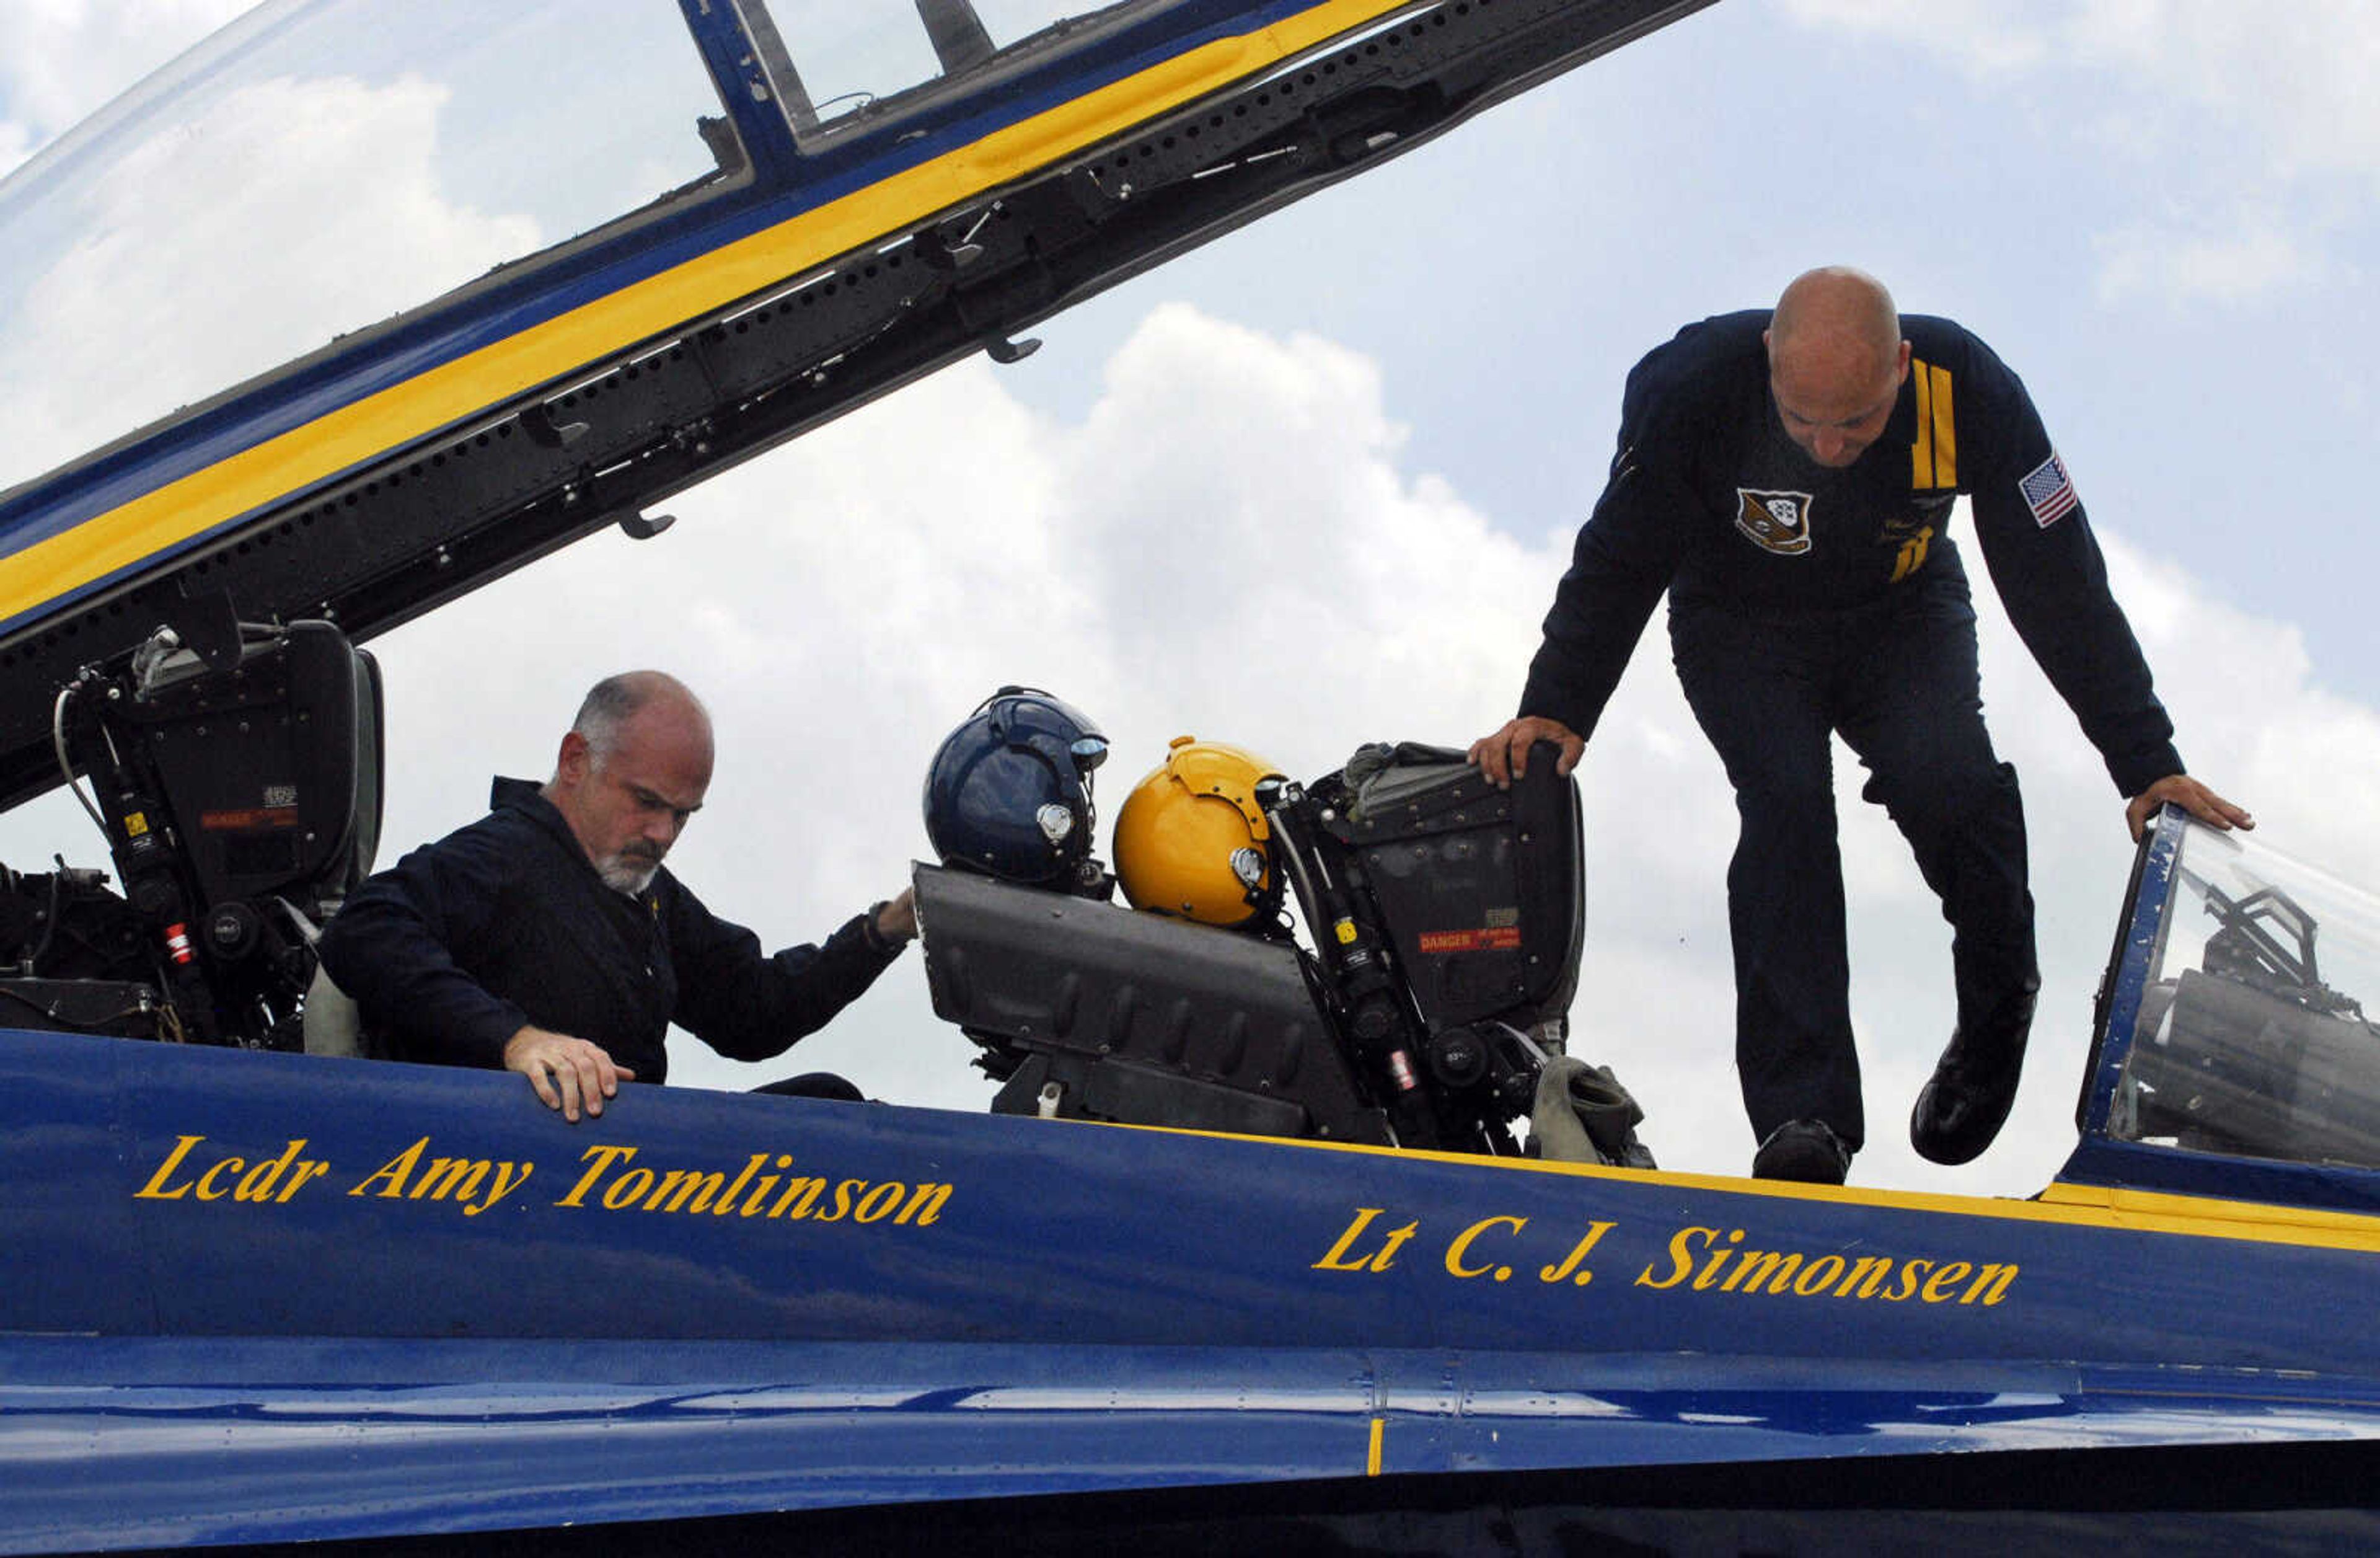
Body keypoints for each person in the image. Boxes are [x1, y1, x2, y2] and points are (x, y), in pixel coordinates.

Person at [1470, 267, 2250, 1185]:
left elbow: (2057, 578)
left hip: (1902, 614)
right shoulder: (1692, 388)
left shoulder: (1970, 388)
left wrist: (2144, 759)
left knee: (1947, 776)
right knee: (1787, 805)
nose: (1831, 447)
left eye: (1858, 422)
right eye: (1804, 423)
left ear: (1902, 369)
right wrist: (1557, 703)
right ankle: (1806, 1115)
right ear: (1769, 358)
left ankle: (1999, 1007)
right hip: (1741, 629)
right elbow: (1621, 552)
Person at [319, 671, 917, 1121]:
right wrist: (517, 1040)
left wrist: (882, 932)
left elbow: (751, 1013)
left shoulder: (641, 887)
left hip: (627, 1164)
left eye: (683, 816)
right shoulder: (503, 856)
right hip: (518, 1176)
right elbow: (363, 929)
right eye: (648, 803)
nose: (663, 835)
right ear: (576, 760)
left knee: (831, 1107)